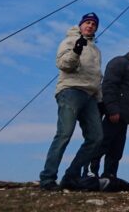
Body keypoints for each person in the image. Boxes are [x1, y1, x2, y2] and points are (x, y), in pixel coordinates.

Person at [39, 12, 104, 191]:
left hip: (90, 95)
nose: (90, 26)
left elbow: (97, 76)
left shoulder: (96, 50)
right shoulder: (69, 41)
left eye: (93, 24)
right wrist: (76, 51)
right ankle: (47, 178)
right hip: (70, 90)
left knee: (96, 137)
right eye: (87, 22)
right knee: (64, 134)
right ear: (81, 25)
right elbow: (63, 65)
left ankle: (71, 177)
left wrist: (99, 100)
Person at [89, 41, 129, 179]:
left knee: (116, 150)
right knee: (101, 144)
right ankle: (91, 173)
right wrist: (112, 110)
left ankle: (109, 176)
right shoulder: (119, 63)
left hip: (125, 117)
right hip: (112, 114)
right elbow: (108, 87)